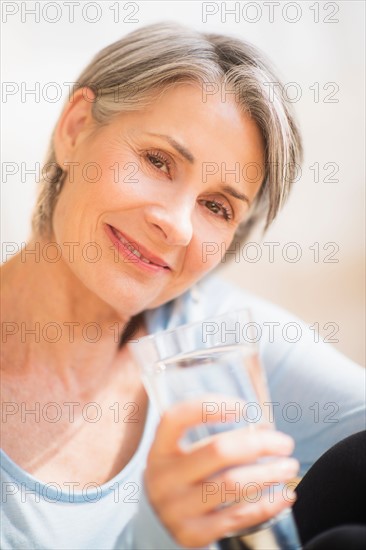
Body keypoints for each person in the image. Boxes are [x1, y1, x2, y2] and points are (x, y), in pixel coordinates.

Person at [0, 22, 364, 550]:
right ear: (76, 127)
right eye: (157, 160)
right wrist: (161, 536)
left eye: (217, 207)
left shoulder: (217, 336)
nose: (177, 224)